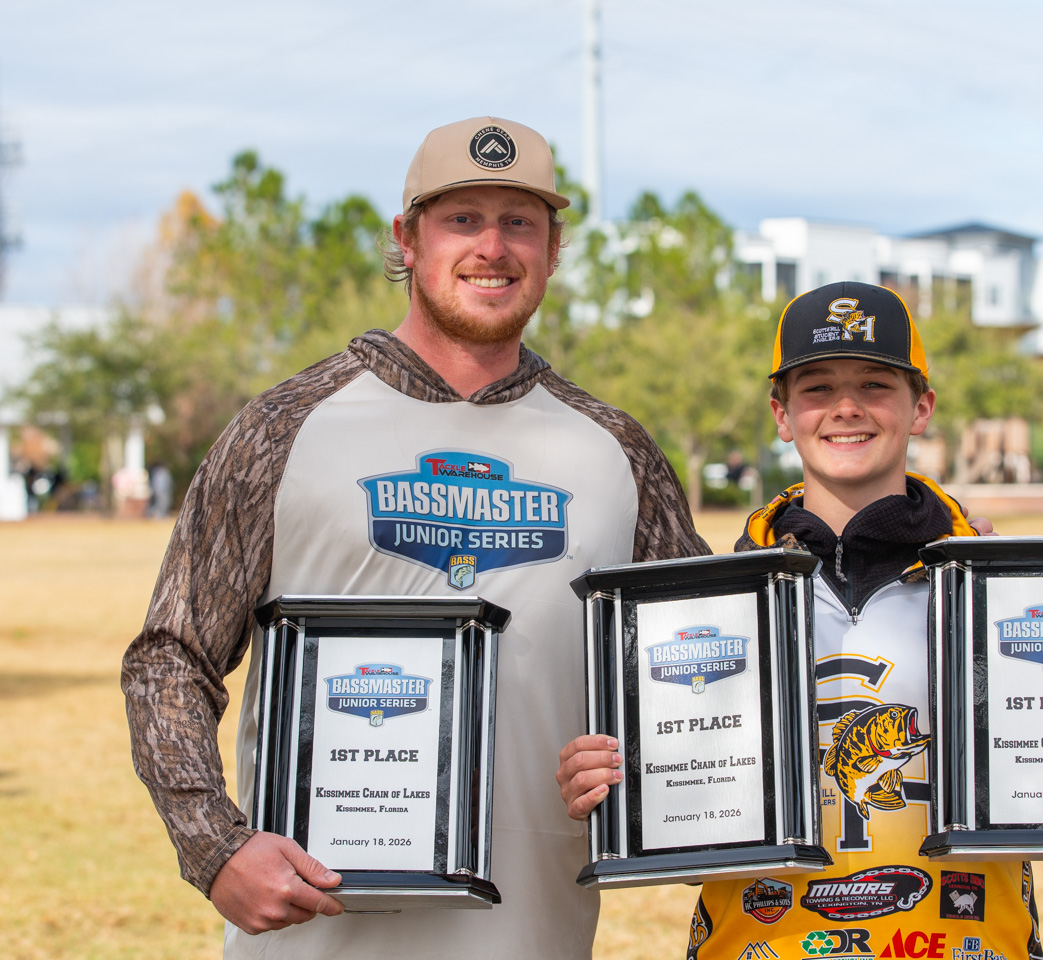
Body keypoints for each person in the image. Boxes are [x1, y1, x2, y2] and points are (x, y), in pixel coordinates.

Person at [121, 116, 707, 960]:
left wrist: (664, 788)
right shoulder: (283, 427)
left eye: (519, 222)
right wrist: (213, 845)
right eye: (462, 219)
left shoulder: (617, 450)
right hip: (317, 941)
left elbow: (692, 678)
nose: (492, 247)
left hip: (530, 939)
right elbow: (170, 656)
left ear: (553, 248)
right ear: (406, 237)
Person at [555, 281, 1043, 960]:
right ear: (781, 414)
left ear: (921, 407)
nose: (846, 407)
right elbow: (693, 838)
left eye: (874, 384)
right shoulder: (711, 603)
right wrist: (618, 788)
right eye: (817, 388)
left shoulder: (994, 591)